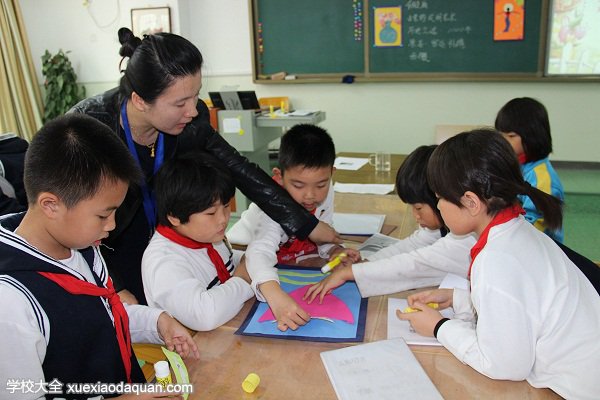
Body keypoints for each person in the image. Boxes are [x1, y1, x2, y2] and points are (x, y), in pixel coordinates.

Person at [69, 28, 339, 305]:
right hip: (106, 248)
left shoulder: (189, 121)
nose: (193, 110)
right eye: (180, 103)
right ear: (140, 100)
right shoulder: (87, 131)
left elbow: (238, 168)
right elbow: (68, 223)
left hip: (169, 239)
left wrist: (305, 223)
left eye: (195, 95)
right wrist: (110, 282)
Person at [0, 114, 199, 398]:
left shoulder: (81, 246)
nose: (112, 225)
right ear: (51, 205)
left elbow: (101, 316)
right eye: (104, 214)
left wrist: (156, 322)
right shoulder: (10, 302)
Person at [397, 129, 600, 400]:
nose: (439, 205)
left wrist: (438, 327)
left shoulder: (497, 259)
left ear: (470, 202)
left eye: (440, 197)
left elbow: (505, 365)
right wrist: (460, 299)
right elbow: (523, 305)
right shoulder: (518, 230)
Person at [304, 145, 476, 304]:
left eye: (418, 208)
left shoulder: (468, 238)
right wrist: (365, 263)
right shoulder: (449, 226)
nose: (415, 216)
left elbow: (417, 264)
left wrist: (352, 273)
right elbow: (412, 246)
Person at [229, 124, 350, 331]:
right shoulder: (271, 205)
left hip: (290, 261)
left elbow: (323, 234)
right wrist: (275, 298)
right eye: (298, 185)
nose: (311, 195)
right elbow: (257, 254)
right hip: (244, 258)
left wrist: (334, 251)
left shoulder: (326, 194)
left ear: (332, 174)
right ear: (278, 177)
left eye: (321, 185)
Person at [142, 154, 254, 331]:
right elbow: (204, 316)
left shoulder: (205, 236)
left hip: (228, 329)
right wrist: (242, 279)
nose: (223, 219)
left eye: (226, 207)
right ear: (175, 217)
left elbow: (229, 263)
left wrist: (251, 258)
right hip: (197, 348)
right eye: (211, 213)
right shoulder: (164, 262)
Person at [495, 97, 564, 242]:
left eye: (511, 136)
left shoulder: (541, 178)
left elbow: (535, 230)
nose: (503, 141)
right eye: (500, 135)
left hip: (538, 248)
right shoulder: (514, 164)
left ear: (532, 135)